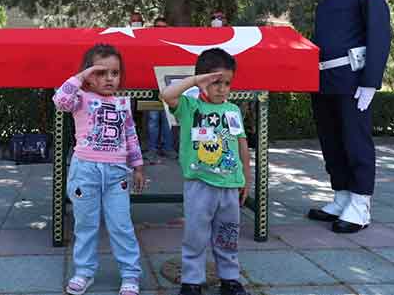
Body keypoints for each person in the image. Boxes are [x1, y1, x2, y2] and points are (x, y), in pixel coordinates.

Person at [307, 0, 391, 234]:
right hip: (325, 80)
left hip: (353, 80)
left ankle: (360, 205)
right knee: (332, 141)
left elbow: (379, 37)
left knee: (356, 143)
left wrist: (370, 82)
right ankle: (341, 196)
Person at [54, 44, 145, 295]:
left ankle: (130, 274)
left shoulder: (123, 103)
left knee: (121, 225)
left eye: (114, 73)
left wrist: (137, 166)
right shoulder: (80, 99)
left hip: (117, 175)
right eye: (101, 72)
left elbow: (130, 136)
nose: (109, 78)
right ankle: (84, 272)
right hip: (85, 172)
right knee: (86, 225)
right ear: (89, 75)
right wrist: (81, 76)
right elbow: (60, 100)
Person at [160, 48, 251, 295]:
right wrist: (195, 80)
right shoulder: (190, 106)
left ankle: (230, 278)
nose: (222, 88)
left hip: (230, 185)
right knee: (196, 235)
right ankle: (192, 280)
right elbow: (167, 94)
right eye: (215, 82)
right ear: (202, 81)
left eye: (227, 83)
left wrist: (246, 177)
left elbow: (241, 143)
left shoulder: (232, 110)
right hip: (199, 184)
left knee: (227, 234)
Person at [146, 17, 176, 161]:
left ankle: (168, 148)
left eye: (164, 28)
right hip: (152, 88)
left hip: (168, 86)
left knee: (167, 119)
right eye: (157, 27)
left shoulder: (172, 45)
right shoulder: (148, 44)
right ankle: (152, 149)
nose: (160, 31)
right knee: (153, 119)